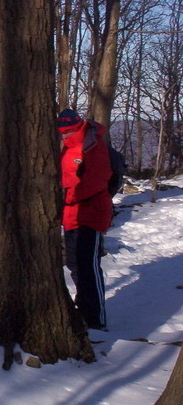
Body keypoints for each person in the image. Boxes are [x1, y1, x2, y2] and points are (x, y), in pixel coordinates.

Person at [58, 108, 113, 331]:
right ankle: (83, 309)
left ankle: (96, 320)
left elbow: (97, 180)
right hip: (71, 215)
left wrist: (66, 196)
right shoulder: (69, 146)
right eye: (62, 132)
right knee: (75, 265)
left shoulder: (92, 144)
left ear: (76, 127)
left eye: (67, 132)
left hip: (91, 214)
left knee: (88, 266)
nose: (64, 136)